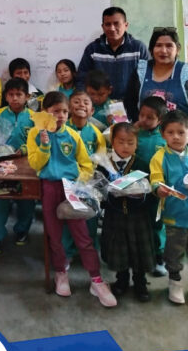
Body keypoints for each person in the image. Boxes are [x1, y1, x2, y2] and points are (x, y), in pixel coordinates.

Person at [28, 91, 117, 307]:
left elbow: (86, 165)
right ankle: (61, 273)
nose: (60, 116)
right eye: (55, 111)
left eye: (64, 111)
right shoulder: (35, 134)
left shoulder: (73, 136)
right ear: (45, 112)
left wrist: (79, 183)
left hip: (72, 188)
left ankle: (96, 279)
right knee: (55, 236)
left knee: (82, 235)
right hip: (50, 188)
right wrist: (45, 145)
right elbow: (35, 164)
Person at [99, 122, 156, 303]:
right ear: (112, 142)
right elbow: (99, 189)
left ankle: (140, 282)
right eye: (121, 142)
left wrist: (142, 194)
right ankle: (121, 280)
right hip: (114, 216)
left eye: (130, 142)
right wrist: (106, 194)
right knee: (119, 250)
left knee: (139, 250)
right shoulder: (104, 165)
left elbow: (152, 191)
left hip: (138, 216)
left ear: (137, 144)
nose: (125, 146)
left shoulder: (142, 164)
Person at [150, 110, 188, 305]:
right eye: (170, 132)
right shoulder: (159, 157)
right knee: (174, 253)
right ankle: (175, 282)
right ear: (162, 134)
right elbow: (155, 180)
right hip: (174, 216)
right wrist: (158, 189)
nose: (176, 137)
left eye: (181, 132)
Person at [0, 78, 36, 254]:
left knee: (27, 200)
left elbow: (37, 141)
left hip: (27, 165)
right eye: (11, 94)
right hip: (3, 163)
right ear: (6, 96)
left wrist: (24, 150)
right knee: (1, 200)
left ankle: (22, 230)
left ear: (27, 96)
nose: (15, 98)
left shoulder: (33, 117)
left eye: (19, 94)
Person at [76, 7, 149, 113]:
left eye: (116, 23)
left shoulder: (138, 48)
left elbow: (146, 80)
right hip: (99, 110)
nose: (112, 28)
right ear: (103, 27)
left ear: (126, 25)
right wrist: (85, 104)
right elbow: (82, 79)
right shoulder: (93, 49)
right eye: (108, 24)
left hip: (133, 109)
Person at [61, 91, 105, 260]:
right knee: (68, 217)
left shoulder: (96, 133)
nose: (81, 105)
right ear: (68, 108)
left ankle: (89, 252)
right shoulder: (62, 129)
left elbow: (101, 158)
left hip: (89, 183)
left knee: (90, 218)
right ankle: (67, 252)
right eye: (77, 102)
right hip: (66, 181)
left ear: (92, 111)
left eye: (86, 103)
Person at [128, 27, 188, 127]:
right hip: (146, 133)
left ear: (177, 50)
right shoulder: (140, 71)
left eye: (169, 46)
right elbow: (131, 104)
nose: (163, 51)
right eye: (158, 45)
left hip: (180, 134)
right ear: (151, 49)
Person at [133, 95, 170, 277]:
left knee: (157, 223)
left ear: (160, 120)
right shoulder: (134, 133)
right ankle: (140, 255)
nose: (144, 120)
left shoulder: (165, 138)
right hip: (135, 187)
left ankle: (159, 256)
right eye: (142, 115)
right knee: (138, 222)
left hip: (157, 189)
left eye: (150, 117)